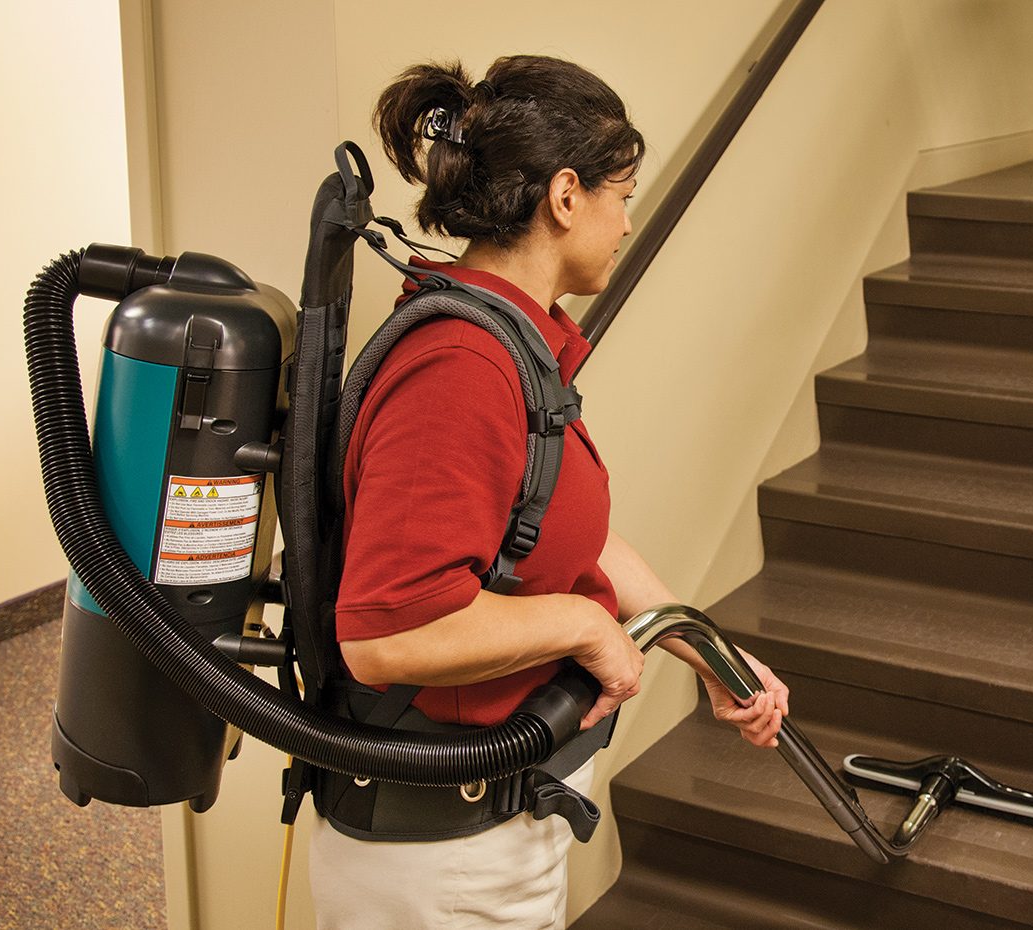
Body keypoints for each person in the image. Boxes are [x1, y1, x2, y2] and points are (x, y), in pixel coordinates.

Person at [309, 54, 790, 929]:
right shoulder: (459, 369)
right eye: (624, 193)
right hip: (440, 866)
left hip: (501, 824)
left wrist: (711, 656)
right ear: (566, 197)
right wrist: (586, 627)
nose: (628, 220)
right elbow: (389, 631)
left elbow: (563, 541)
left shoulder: (513, 346)